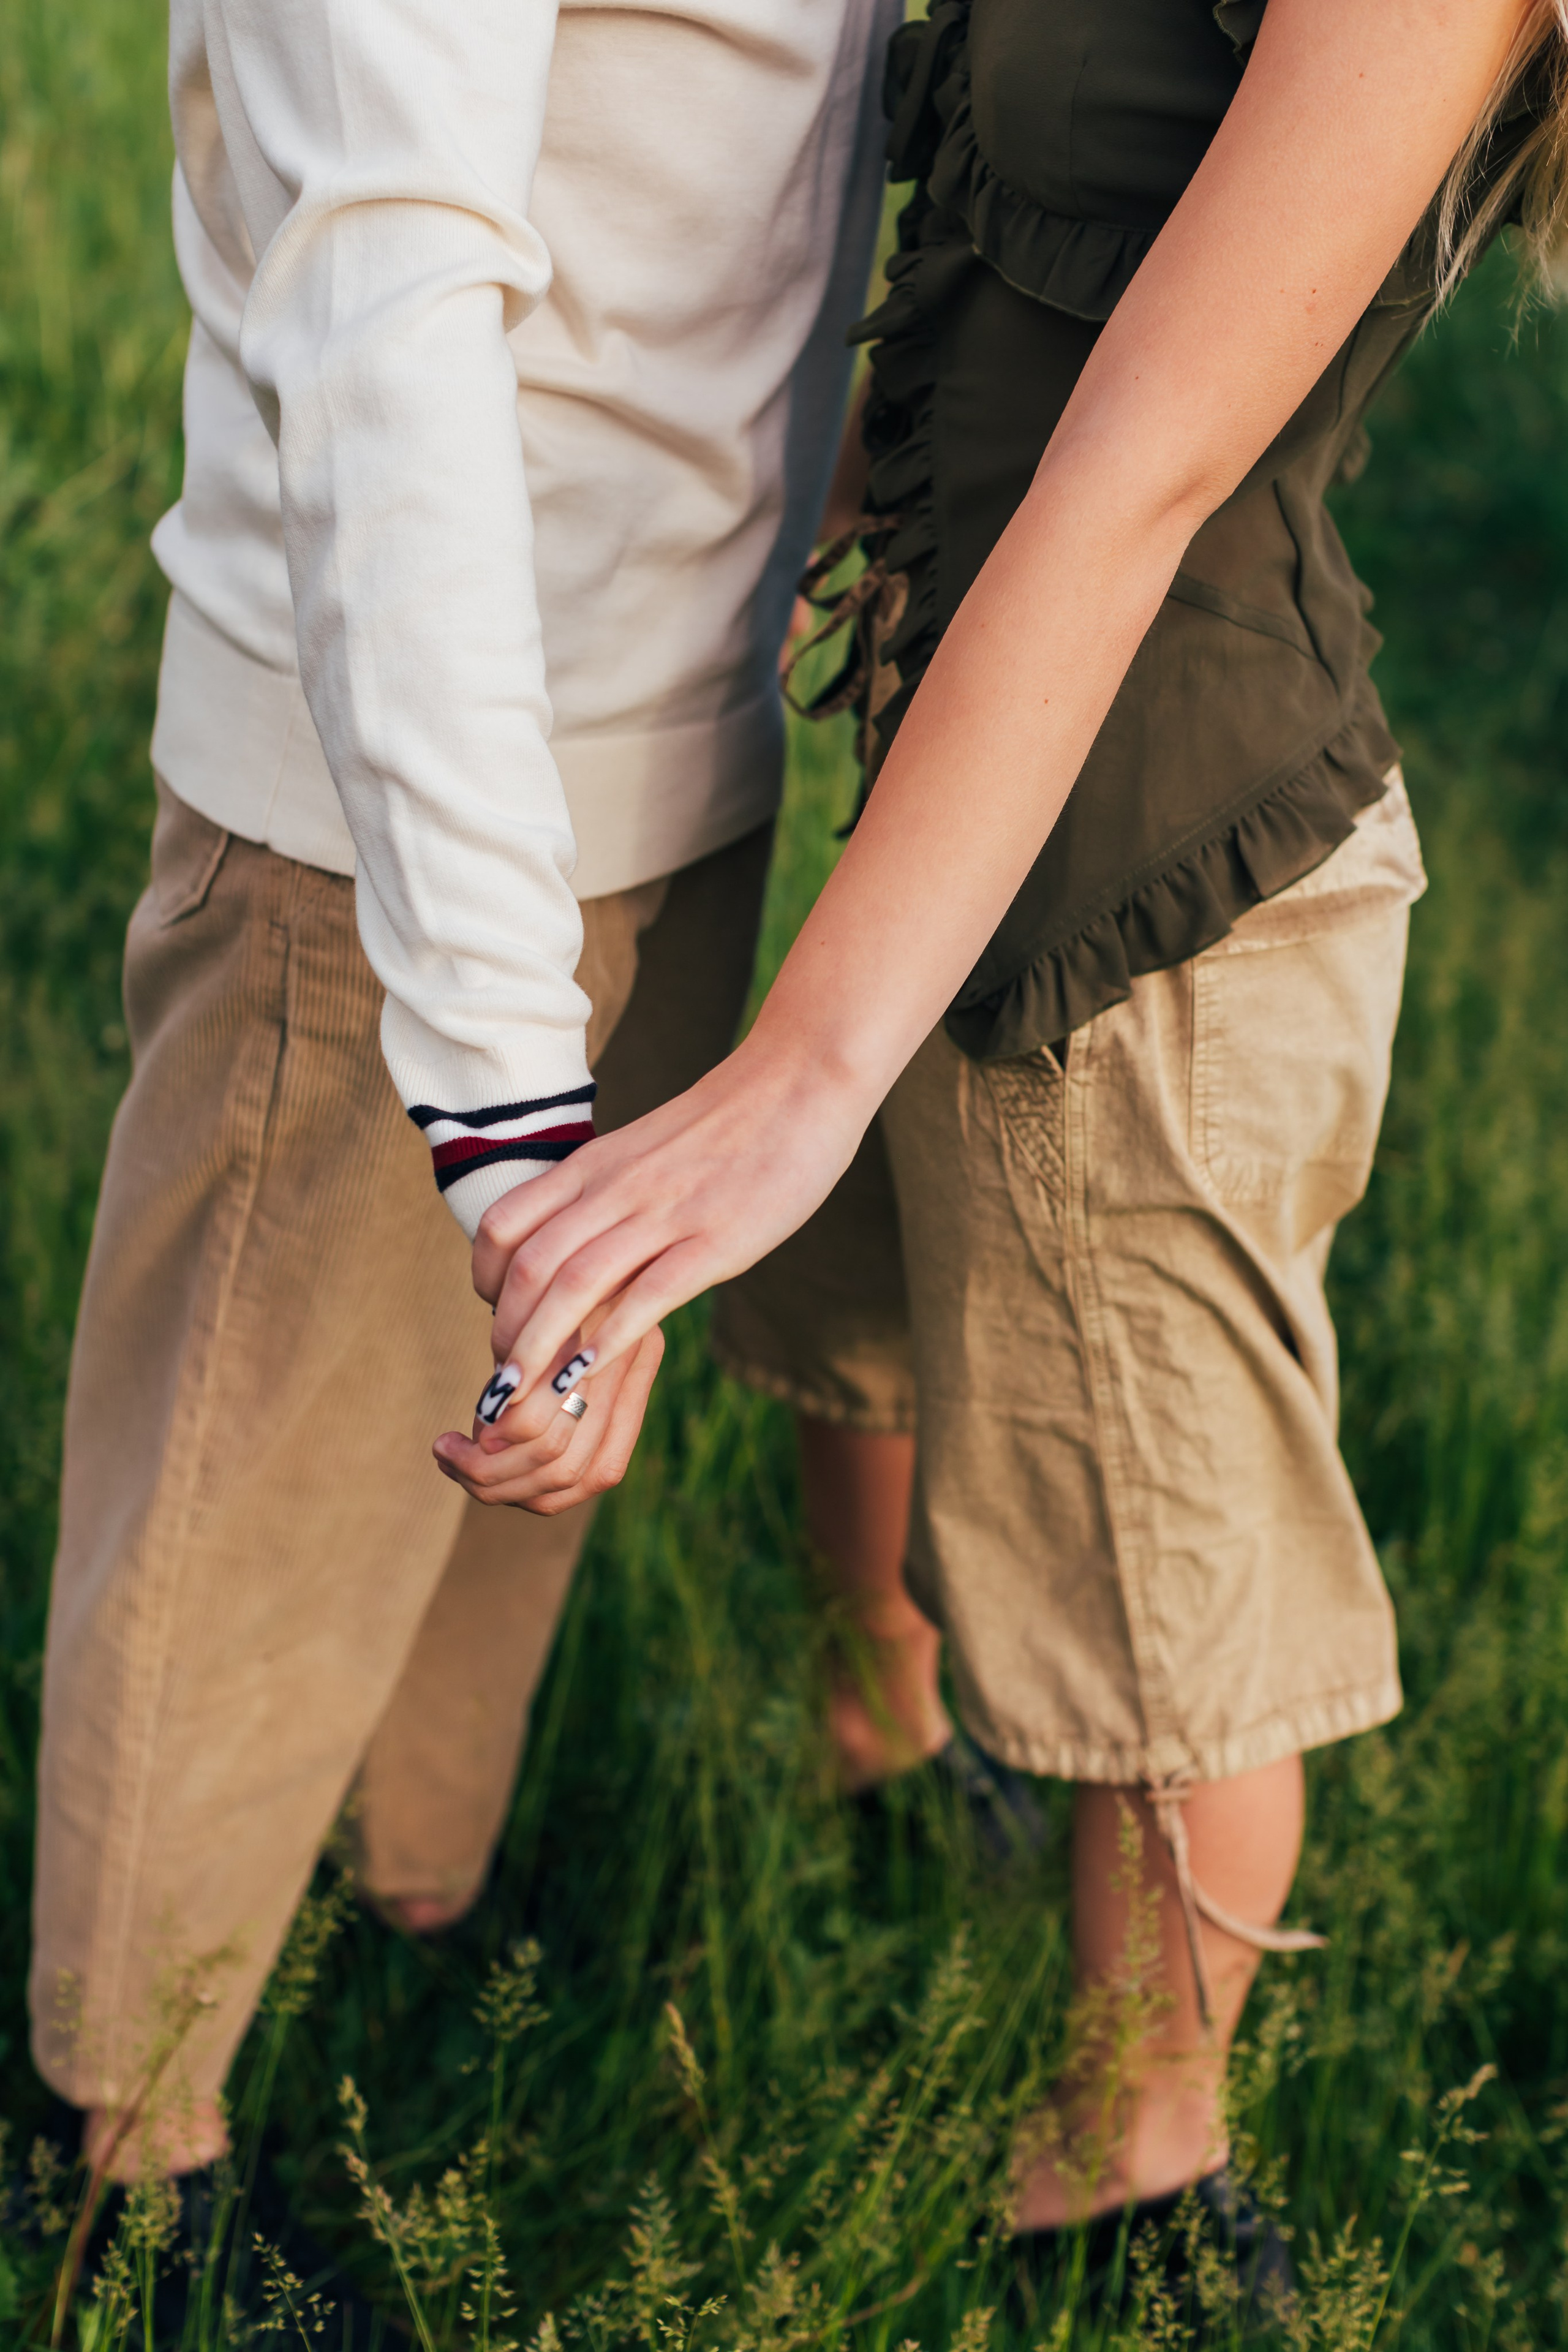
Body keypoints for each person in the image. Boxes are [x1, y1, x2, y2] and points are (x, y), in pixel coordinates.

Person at [457, 0, 1565, 2285]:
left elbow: (1135, 474)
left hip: (1156, 888)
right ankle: (885, 1754)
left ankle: (1135, 2176)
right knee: (866, 1333)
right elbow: (971, 298)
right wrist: (750, 557)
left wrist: (798, 1070)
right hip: (954, 782)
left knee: (1169, 1602)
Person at [29, 0, 929, 2184]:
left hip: (673, 717)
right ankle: (117, 2142)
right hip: (384, 791)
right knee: (257, 1498)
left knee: (495, 1455)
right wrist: (508, 1093)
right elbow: (382, 318)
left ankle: (398, 1909)